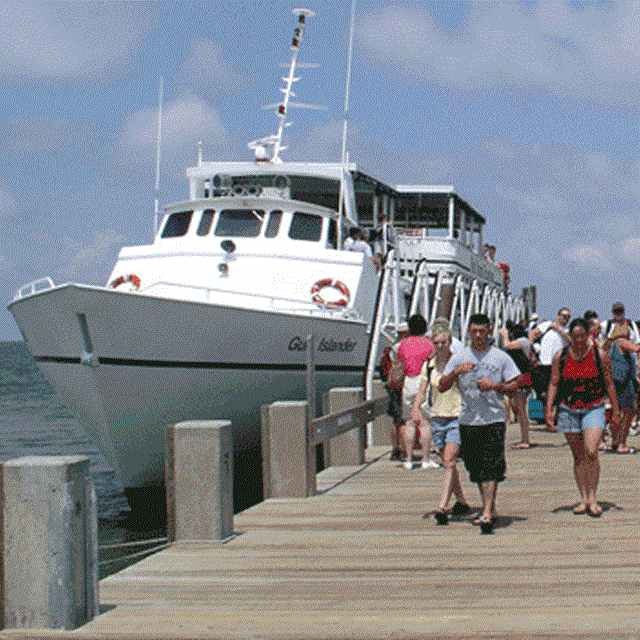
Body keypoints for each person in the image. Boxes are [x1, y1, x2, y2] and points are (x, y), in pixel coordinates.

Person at [439, 313, 520, 534]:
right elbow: (441, 386)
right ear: (469, 333)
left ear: (489, 332)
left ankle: (486, 513)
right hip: (468, 420)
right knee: (474, 468)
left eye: (482, 332)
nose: (478, 336)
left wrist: (495, 386)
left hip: (493, 418)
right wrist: (456, 372)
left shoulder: (500, 357)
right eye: (474, 331)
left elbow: (515, 384)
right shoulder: (460, 357)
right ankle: (490, 508)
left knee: (490, 466)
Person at [545, 318, 621, 517]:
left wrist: (616, 409)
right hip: (569, 408)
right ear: (570, 336)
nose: (578, 340)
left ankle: (593, 497)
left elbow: (609, 382)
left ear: (588, 335)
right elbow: (554, 383)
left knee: (591, 451)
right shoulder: (561, 356)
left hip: (593, 406)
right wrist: (549, 408)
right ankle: (584, 498)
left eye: (582, 336)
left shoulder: (599, 355)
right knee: (578, 456)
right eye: (575, 336)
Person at [413, 326, 470, 524]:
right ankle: (461, 501)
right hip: (437, 417)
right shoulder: (429, 366)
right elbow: (422, 389)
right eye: (436, 343)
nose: (439, 346)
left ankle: (442, 506)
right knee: (449, 463)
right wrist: (416, 408)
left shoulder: (458, 363)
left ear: (450, 342)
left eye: (443, 342)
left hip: (456, 416)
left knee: (449, 462)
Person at [396, 314, 436, 470]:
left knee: (410, 422)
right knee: (425, 422)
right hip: (423, 381)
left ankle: (408, 459)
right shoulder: (429, 344)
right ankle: (426, 459)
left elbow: (399, 361)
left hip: (408, 381)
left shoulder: (403, 344)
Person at [529, 307, 571, 430]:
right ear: (558, 315)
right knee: (543, 394)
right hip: (543, 363)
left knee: (557, 394)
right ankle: (548, 418)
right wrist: (531, 349)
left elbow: (570, 341)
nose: (565, 318)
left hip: (557, 365)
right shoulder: (547, 325)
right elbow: (532, 334)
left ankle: (552, 420)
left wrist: (560, 330)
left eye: (568, 316)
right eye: (563, 315)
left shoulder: (567, 330)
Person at [603, 323, 640, 453]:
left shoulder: (610, 344)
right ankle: (621, 443)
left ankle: (615, 441)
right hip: (624, 382)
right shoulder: (622, 341)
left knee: (616, 412)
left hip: (615, 381)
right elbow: (636, 349)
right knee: (629, 412)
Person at [500, 323, 533, 449]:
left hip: (522, 379)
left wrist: (504, 336)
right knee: (520, 409)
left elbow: (506, 346)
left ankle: (525, 440)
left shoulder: (523, 341)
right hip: (522, 378)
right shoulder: (525, 341)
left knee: (521, 410)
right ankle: (525, 438)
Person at [383, 322, 409, 461]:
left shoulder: (394, 346)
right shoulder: (404, 346)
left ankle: (395, 448)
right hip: (403, 385)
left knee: (395, 421)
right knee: (403, 421)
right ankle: (405, 450)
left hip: (393, 385)